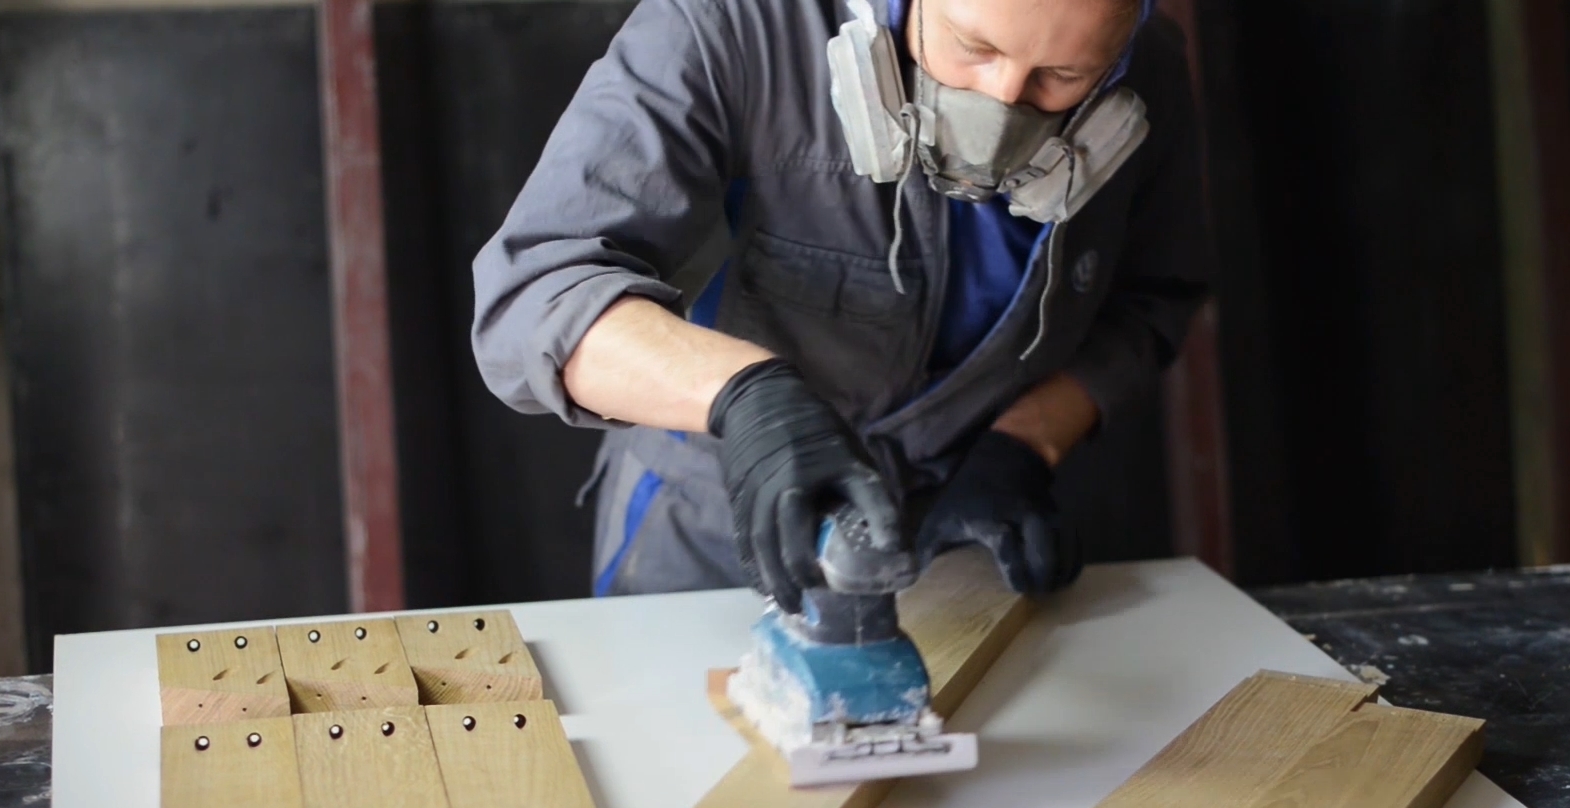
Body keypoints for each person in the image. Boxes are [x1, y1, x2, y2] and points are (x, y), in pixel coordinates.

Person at [472, 0, 1206, 614]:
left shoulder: (1152, 73)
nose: (1004, 100)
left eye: (1062, 76)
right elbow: (537, 290)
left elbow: (1150, 302)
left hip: (959, 549)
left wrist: (1023, 444)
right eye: (971, 46)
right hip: (707, 539)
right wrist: (745, 396)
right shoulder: (730, 25)